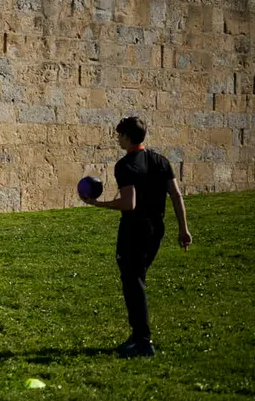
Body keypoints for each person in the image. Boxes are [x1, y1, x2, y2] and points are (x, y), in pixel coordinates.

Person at [81, 117, 191, 358]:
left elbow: (128, 203)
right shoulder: (161, 161)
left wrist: (97, 204)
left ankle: (142, 341)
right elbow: (176, 195)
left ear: (128, 138)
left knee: (133, 281)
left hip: (134, 230)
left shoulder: (125, 165)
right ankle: (138, 337)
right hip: (156, 229)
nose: (117, 139)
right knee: (136, 278)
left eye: (119, 135)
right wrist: (183, 229)